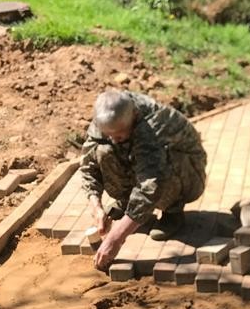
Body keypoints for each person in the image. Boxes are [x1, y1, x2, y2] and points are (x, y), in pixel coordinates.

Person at [80, 89, 207, 272]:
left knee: (162, 167)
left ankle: (173, 211)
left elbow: (151, 183)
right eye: (110, 135)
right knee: (103, 151)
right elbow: (88, 165)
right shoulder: (105, 120)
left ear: (135, 117)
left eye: (120, 135)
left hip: (187, 172)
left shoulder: (152, 126)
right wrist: (96, 206)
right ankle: (129, 205)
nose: (114, 140)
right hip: (145, 164)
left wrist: (116, 238)